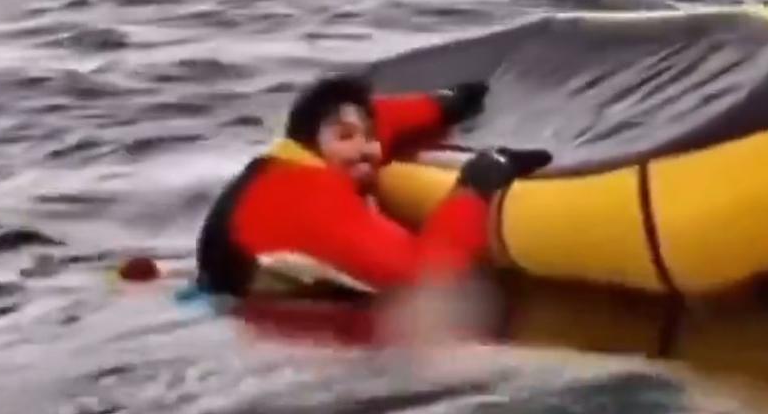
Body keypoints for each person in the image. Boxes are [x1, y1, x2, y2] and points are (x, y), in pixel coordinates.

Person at [195, 73, 550, 299]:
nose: (366, 149)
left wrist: (446, 104)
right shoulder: (313, 196)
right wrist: (479, 182)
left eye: (369, 137)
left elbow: (380, 119)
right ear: (311, 142)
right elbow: (427, 277)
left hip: (224, 273)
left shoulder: (298, 156)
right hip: (256, 305)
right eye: (346, 137)